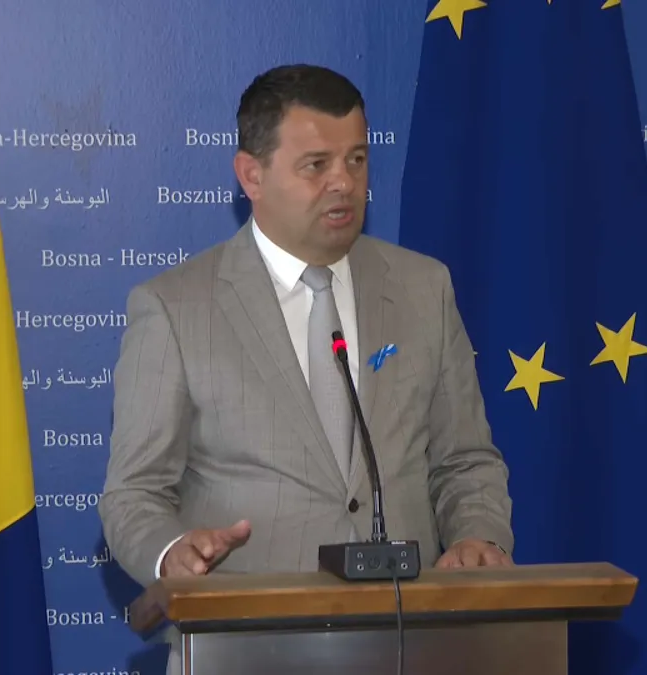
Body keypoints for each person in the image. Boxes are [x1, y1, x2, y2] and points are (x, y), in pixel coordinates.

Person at [99, 64, 513, 592]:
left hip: (408, 625)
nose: (344, 182)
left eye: (356, 160)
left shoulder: (424, 288)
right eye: (316, 165)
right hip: (247, 628)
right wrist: (169, 553)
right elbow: (134, 494)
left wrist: (477, 536)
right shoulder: (174, 309)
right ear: (252, 175)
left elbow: (465, 461)